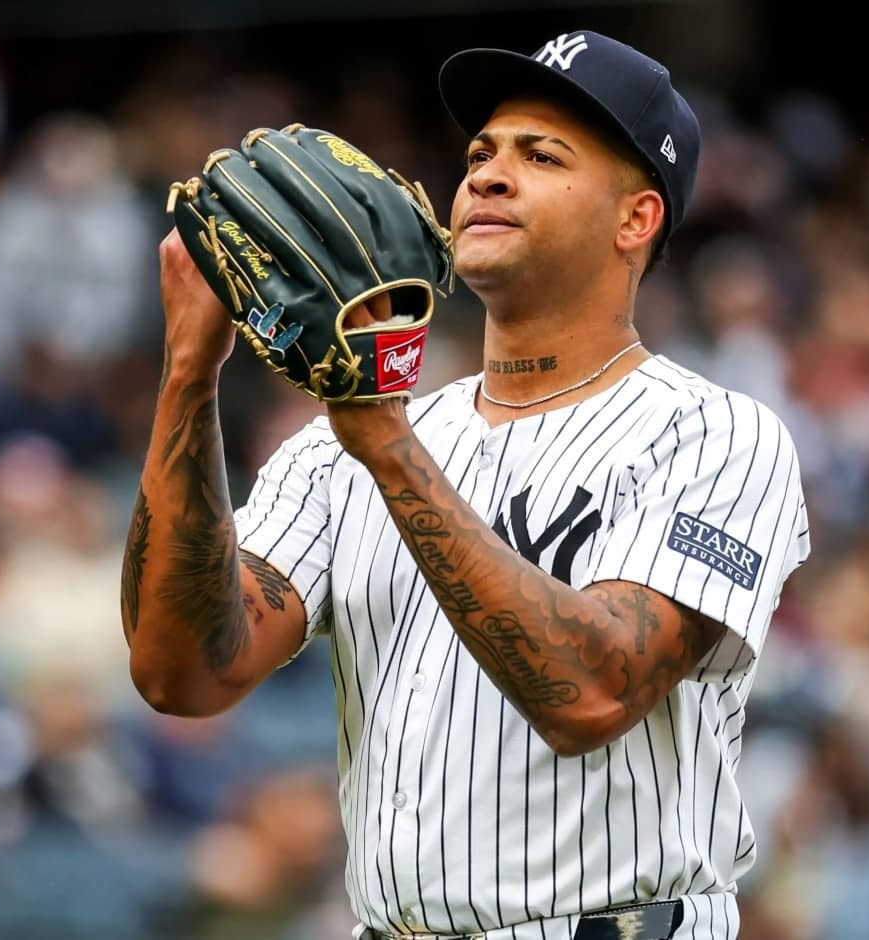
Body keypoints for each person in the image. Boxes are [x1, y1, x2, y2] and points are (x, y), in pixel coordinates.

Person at [124, 29, 810, 940]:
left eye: (542, 155)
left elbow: (592, 694)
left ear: (635, 219)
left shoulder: (714, 432)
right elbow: (185, 674)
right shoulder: (340, 445)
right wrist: (187, 375)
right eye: (480, 152)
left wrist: (383, 437)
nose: (486, 174)